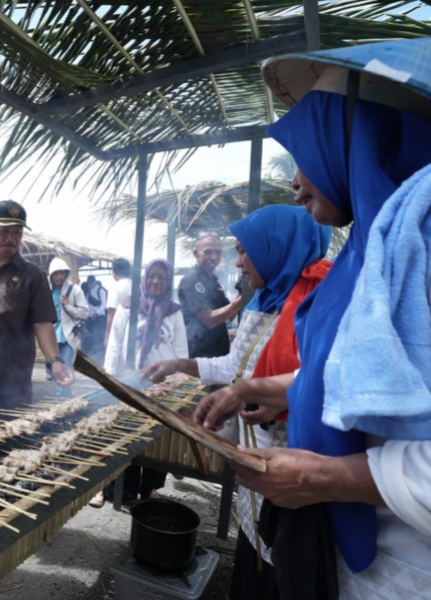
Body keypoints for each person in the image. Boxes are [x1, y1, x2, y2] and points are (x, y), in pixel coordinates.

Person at [192, 38, 431, 600]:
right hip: (350, 564)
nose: (296, 181)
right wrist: (256, 386)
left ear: (354, 134)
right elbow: (374, 380)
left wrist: (324, 477)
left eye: (307, 146)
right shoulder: (376, 250)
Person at [147, 205, 332, 599]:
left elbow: (326, 381)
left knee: (286, 566)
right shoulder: (261, 301)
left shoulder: (319, 302)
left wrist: (250, 392)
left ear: (275, 247)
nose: (238, 261)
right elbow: (237, 363)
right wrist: (183, 363)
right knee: (253, 550)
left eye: (245, 251)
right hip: (254, 460)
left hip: (292, 462)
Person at [0, 200, 74, 422]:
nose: (11, 238)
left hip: (11, 379)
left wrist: (55, 361)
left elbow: (42, 323)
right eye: (4, 231)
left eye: (17, 232)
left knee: (11, 444)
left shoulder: (33, 276)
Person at [92, 259, 187, 508]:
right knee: (123, 437)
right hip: (130, 381)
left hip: (162, 385)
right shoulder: (127, 306)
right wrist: (110, 379)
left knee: (156, 439)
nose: (155, 281)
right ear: (144, 279)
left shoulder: (174, 311)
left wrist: (181, 380)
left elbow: (180, 350)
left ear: (168, 282)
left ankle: (149, 488)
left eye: (161, 277)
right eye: (151, 276)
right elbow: (114, 344)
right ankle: (113, 489)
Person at [177, 233, 242, 358]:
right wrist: (239, 301)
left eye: (218, 252)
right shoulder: (191, 280)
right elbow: (209, 320)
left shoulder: (213, 281)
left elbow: (230, 316)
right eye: (208, 252)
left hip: (219, 354)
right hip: (200, 355)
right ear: (195, 253)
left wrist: (242, 292)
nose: (214, 257)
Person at [47, 258, 88, 398]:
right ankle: (67, 398)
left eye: (62, 273)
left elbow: (84, 312)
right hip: (50, 339)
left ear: (66, 273)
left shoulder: (74, 290)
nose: (59, 277)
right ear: (51, 274)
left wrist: (68, 307)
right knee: (55, 373)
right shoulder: (46, 290)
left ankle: (61, 404)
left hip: (67, 338)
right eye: (56, 273)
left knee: (64, 374)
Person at [104, 258, 131, 347]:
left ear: (114, 272)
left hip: (120, 330)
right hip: (134, 329)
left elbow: (111, 313)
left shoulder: (116, 287)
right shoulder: (136, 285)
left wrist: (107, 337)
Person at [83, 275, 107, 360]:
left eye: (91, 284)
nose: (90, 285)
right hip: (90, 318)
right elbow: (87, 305)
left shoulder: (101, 290)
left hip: (99, 317)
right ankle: (92, 353)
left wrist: (96, 314)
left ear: (94, 282)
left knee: (99, 335)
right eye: (88, 284)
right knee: (91, 335)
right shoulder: (88, 292)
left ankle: (101, 354)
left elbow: (103, 304)